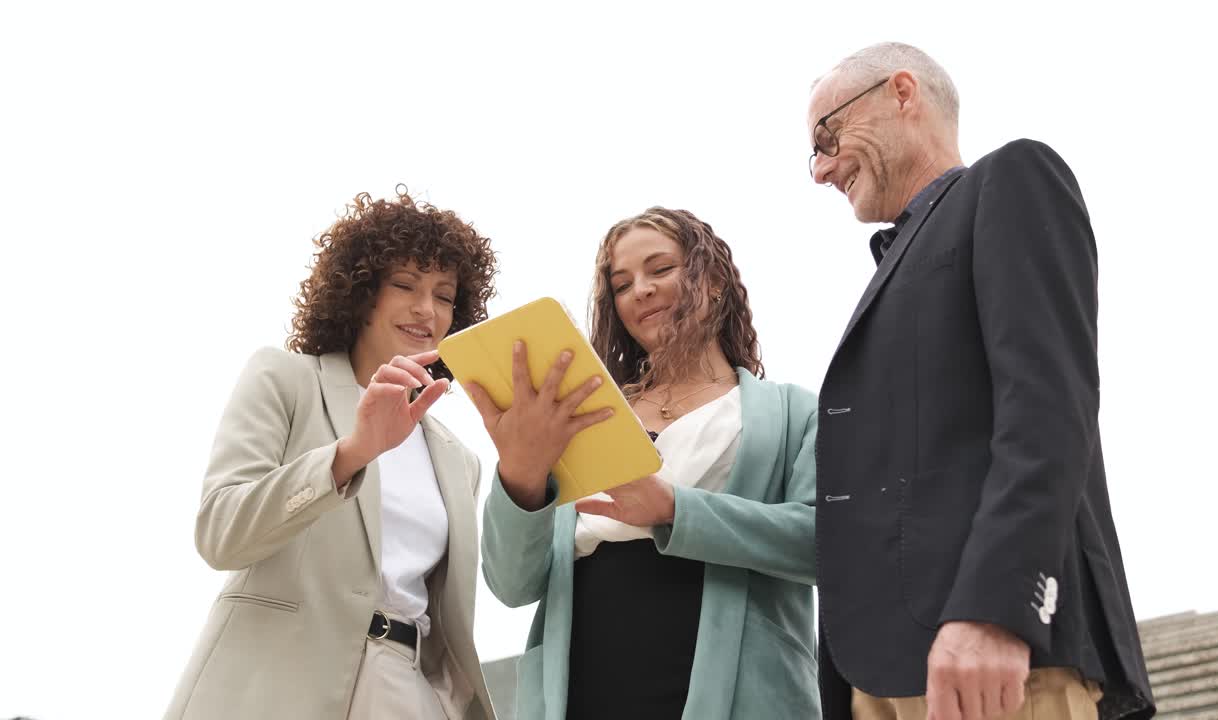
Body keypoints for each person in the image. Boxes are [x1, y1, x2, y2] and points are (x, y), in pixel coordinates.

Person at [806, 43, 1156, 720]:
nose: (820, 169)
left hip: (991, 664)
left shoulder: (1012, 179)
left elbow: (1048, 408)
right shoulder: (890, 269)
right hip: (877, 679)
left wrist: (998, 609)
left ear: (901, 92)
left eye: (828, 136)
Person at [469, 207, 820, 719]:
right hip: (587, 679)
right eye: (622, 283)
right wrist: (520, 473)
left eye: (660, 270)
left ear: (715, 279)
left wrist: (676, 509)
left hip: (739, 689)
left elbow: (828, 543)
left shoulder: (793, 412)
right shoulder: (580, 416)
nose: (641, 290)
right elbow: (511, 584)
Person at [165, 188, 498, 720]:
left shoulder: (459, 460)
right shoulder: (285, 380)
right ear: (361, 292)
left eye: (443, 295)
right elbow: (220, 533)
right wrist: (349, 455)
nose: (425, 309)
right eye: (404, 285)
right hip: (277, 684)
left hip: (406, 692)